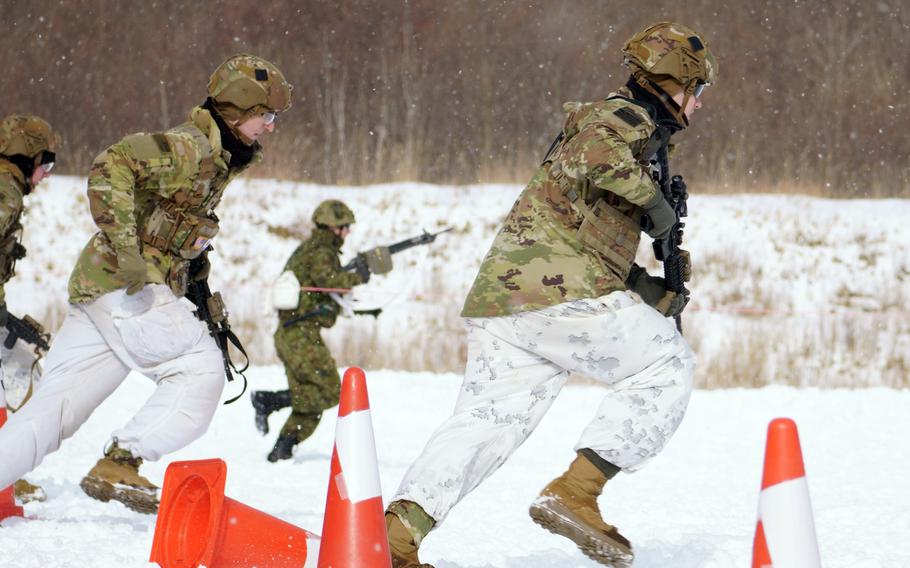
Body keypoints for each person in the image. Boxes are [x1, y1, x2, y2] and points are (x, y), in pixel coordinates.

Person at [384, 22, 716, 568]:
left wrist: (645, 288)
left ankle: (397, 538)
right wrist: (654, 204)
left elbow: (580, 231)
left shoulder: (627, 130)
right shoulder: (623, 115)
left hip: (508, 299)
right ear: (672, 82)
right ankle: (576, 494)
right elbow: (596, 154)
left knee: (485, 425)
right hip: (556, 292)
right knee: (666, 365)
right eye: (696, 91)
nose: (698, 105)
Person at [0, 54, 292, 514]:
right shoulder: (189, 148)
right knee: (201, 370)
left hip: (101, 290)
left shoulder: (216, 161)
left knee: (51, 414)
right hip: (127, 287)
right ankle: (122, 460)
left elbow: (174, 227)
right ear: (237, 111)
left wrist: (196, 284)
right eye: (267, 116)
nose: (272, 127)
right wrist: (129, 249)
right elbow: (110, 164)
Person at [251, 199, 369, 462]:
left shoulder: (311, 249)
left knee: (312, 400)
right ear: (333, 227)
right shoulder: (321, 250)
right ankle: (269, 401)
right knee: (329, 391)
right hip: (299, 334)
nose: (348, 232)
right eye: (345, 227)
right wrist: (359, 275)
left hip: (292, 334)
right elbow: (332, 281)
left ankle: (282, 451)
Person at [0, 113, 60, 505]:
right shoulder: (6, 188)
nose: (47, 175)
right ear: (29, 157)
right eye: (46, 164)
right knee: (20, 379)